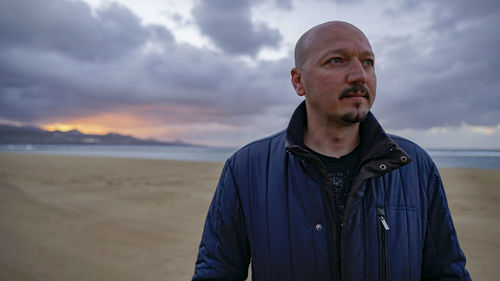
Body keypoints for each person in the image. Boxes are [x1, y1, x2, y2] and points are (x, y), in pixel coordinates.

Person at [192, 21, 471, 281]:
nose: (359, 75)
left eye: (368, 62)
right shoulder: (247, 169)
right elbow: (216, 273)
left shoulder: (414, 166)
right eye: (336, 61)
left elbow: (448, 272)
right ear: (298, 81)